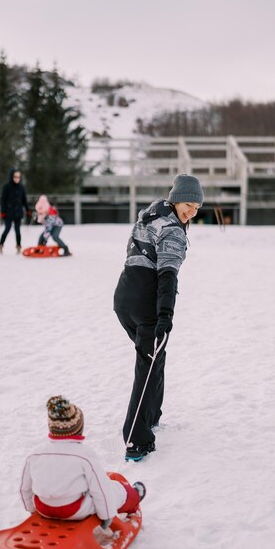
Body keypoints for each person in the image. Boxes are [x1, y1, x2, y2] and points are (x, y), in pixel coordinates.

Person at [113, 174, 204, 461]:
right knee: (149, 363)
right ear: (176, 199)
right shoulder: (174, 230)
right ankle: (136, 439)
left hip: (124, 297)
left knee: (155, 356)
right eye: (188, 204)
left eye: (197, 208)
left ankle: (151, 414)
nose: (192, 212)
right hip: (145, 301)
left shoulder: (153, 212)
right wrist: (165, 314)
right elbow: (167, 276)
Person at [20, 396, 146, 526]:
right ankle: (134, 496)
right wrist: (106, 516)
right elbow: (100, 489)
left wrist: (32, 510)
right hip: (74, 510)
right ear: (78, 429)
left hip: (43, 508)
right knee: (113, 489)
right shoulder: (84, 455)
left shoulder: (35, 453)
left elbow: (25, 488)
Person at [0, 169, 31, 254]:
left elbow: (24, 200)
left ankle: (18, 246)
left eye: (18, 177)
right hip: (8, 213)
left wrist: (28, 210)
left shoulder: (21, 187)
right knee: (7, 228)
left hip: (18, 213)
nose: (17, 178)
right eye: (15, 177)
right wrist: (2, 211)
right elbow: (3, 200)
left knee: (17, 230)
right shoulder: (6, 187)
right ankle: (1, 245)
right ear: (11, 177)